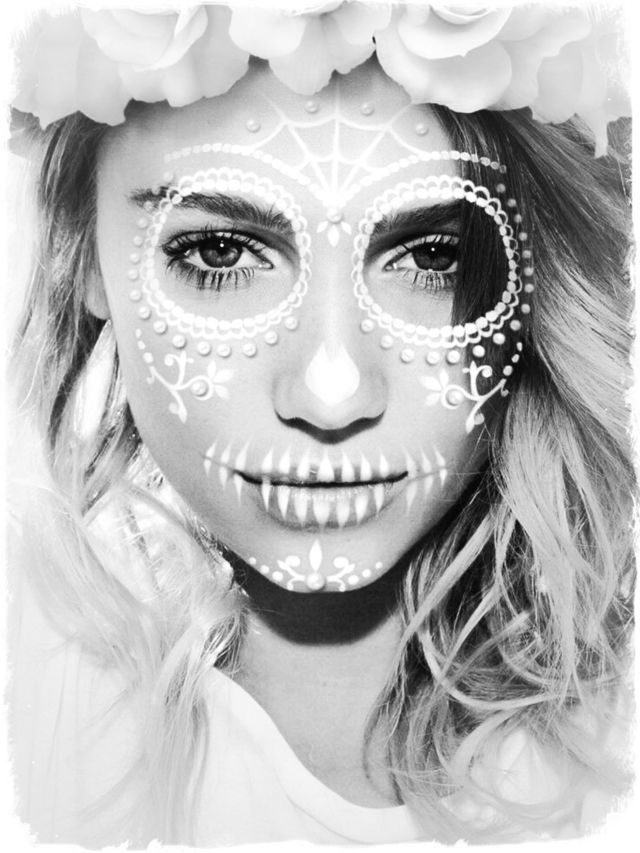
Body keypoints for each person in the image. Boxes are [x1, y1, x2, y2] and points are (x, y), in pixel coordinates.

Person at [6, 2, 635, 847]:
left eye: (434, 256)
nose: (333, 393)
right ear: (82, 251)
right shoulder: (28, 689)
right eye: (222, 252)